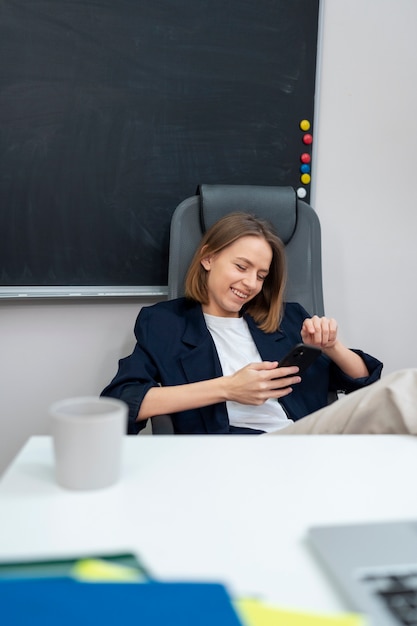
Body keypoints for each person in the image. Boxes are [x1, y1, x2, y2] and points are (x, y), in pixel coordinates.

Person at [101, 212, 416, 436]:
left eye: (261, 276)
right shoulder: (165, 323)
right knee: (406, 390)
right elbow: (120, 403)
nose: (251, 283)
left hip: (307, 445)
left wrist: (333, 347)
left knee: (405, 390)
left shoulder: (287, 318)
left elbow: (363, 381)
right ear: (207, 258)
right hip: (235, 453)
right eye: (241, 266)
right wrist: (228, 388)